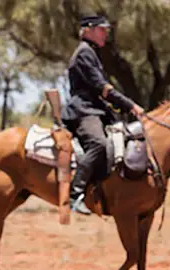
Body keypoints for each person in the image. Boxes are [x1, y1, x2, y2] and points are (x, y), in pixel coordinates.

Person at [61, 15, 145, 214]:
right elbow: (102, 87)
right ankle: (75, 193)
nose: (106, 33)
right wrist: (130, 105)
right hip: (84, 110)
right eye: (102, 29)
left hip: (95, 108)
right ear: (88, 30)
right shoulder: (84, 53)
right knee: (98, 144)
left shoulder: (92, 52)